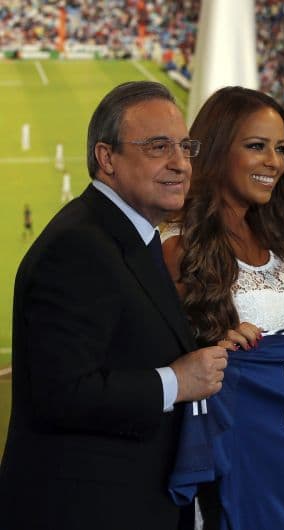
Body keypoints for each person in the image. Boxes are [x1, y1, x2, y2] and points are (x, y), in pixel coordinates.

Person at [0, 81, 229, 530]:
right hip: (81, 510)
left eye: (185, 147)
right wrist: (176, 382)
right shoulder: (79, 246)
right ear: (107, 159)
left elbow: (134, 339)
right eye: (159, 146)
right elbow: (62, 393)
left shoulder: (129, 235)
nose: (180, 164)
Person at [162, 86, 284, 349]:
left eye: (280, 149)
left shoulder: (276, 232)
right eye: (257, 146)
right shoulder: (179, 247)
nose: (274, 162)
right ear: (217, 150)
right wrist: (213, 349)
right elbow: (161, 353)